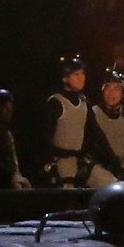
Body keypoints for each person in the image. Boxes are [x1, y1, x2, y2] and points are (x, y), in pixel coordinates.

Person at [41, 56, 91, 185]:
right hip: (60, 163)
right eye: (76, 74)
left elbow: (93, 133)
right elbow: (46, 136)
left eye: (83, 73)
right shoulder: (56, 102)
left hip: (78, 163)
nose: (82, 78)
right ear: (65, 78)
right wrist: (50, 164)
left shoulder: (84, 102)